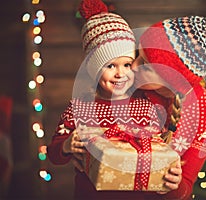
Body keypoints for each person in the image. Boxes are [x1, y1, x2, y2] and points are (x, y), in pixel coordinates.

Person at [47, 0, 182, 199]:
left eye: (127, 65)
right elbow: (53, 152)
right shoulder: (81, 106)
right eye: (110, 66)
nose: (121, 74)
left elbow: (160, 147)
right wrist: (66, 145)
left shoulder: (145, 103)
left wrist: (169, 170)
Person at [131, 16, 206, 199]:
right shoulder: (127, 80)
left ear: (171, 79)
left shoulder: (205, 115)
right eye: (138, 55)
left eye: (145, 65)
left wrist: (174, 185)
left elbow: (185, 189)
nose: (133, 66)